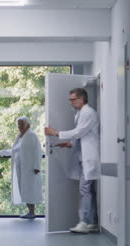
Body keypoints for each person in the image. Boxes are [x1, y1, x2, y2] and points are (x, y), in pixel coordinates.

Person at [44, 88, 100, 234]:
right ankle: (92, 222)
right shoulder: (80, 114)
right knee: (88, 191)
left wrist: (55, 133)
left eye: (72, 99)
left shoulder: (88, 113)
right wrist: (70, 144)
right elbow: (83, 136)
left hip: (90, 158)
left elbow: (78, 132)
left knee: (85, 190)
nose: (70, 102)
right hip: (82, 158)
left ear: (81, 99)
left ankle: (85, 222)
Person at [0, 116, 42, 218]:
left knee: (30, 189)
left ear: (27, 125)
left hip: (31, 168)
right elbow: (14, 150)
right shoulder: (19, 137)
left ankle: (32, 212)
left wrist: (37, 166)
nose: (19, 127)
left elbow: (37, 151)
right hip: (21, 167)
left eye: (21, 124)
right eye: (18, 125)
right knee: (24, 189)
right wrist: (1, 153)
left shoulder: (32, 135)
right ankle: (30, 211)